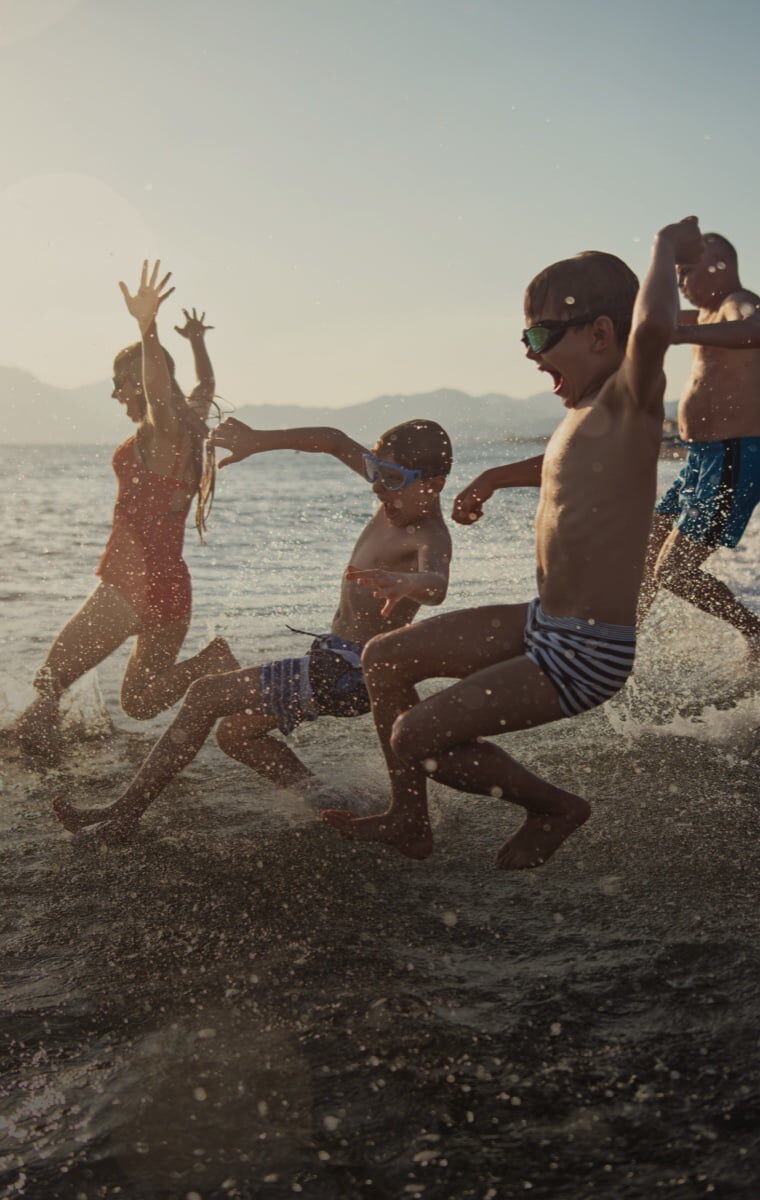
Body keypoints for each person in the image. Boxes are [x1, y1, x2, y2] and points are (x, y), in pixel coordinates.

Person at [322, 217, 704, 870]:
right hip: (543, 624)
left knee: (416, 734)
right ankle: (409, 818)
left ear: (602, 334)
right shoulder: (585, 416)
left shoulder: (630, 399)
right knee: (382, 658)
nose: (528, 352)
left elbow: (657, 330)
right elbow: (561, 469)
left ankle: (553, 806)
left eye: (539, 334)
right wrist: (496, 478)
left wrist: (667, 251)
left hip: (585, 652)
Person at [52, 417, 453, 841]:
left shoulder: (428, 533)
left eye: (389, 479)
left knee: (204, 694)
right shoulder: (397, 497)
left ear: (434, 484)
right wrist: (260, 441)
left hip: (348, 672)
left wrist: (409, 583)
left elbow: (438, 585)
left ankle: (124, 815)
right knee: (237, 734)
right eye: (374, 473)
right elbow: (332, 440)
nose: (377, 487)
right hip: (333, 662)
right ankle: (330, 804)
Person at [13, 263, 235, 763]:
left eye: (120, 383)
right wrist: (197, 342)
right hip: (170, 583)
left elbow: (158, 388)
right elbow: (204, 382)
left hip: (133, 582)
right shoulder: (190, 425)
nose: (116, 394)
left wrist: (148, 327)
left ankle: (35, 760)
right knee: (138, 701)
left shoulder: (162, 433)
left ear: (140, 381)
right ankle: (212, 661)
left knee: (50, 680)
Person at [637, 232, 760, 657]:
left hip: (734, 454)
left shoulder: (737, 303)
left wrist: (678, 336)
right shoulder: (705, 315)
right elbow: (652, 318)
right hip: (701, 458)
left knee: (675, 571)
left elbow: (756, 326)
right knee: (651, 544)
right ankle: (623, 638)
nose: (680, 283)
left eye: (686, 273)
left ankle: (756, 634)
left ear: (721, 266)